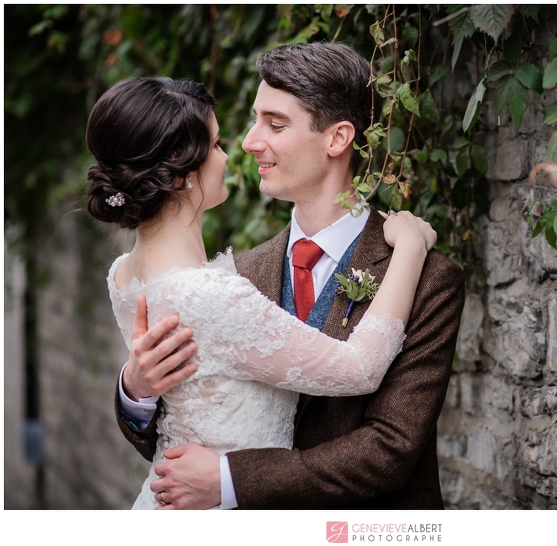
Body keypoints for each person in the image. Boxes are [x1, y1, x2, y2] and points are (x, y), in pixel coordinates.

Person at [117, 42, 466, 510]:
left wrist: (229, 479)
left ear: (337, 139)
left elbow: (389, 449)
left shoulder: (427, 278)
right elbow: (181, 440)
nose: (249, 141)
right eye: (255, 119)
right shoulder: (234, 275)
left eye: (274, 124)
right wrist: (136, 392)